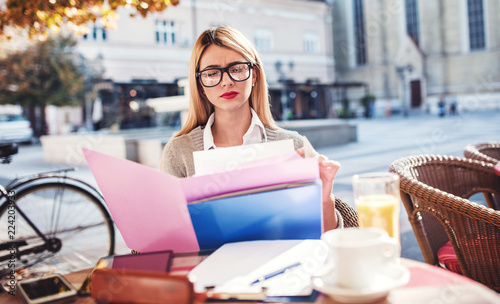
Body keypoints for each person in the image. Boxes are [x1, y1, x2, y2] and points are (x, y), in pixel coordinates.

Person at [160, 26, 345, 231]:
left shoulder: (294, 146)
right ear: (200, 84)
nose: (227, 82)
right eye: (212, 73)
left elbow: (324, 238)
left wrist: (325, 199)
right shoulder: (178, 153)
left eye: (237, 69)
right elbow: (170, 236)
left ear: (254, 74)